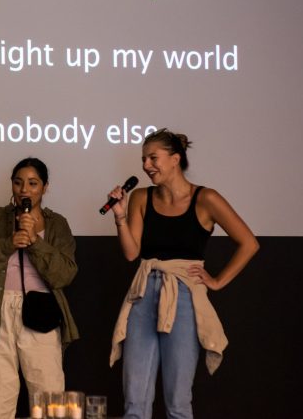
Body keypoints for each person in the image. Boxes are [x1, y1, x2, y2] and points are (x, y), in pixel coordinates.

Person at [106, 128, 259, 419]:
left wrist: (216, 281)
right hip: (142, 294)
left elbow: (249, 243)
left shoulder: (206, 198)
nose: (146, 165)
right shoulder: (140, 197)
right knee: (135, 401)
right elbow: (130, 253)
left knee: (177, 400)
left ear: (175, 159)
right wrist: (120, 217)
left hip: (185, 296)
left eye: (153, 158)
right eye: (143, 159)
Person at [0, 157, 78, 419]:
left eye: (33, 183)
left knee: (49, 398)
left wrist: (35, 241)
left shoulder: (57, 223)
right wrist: (8, 243)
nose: (24, 189)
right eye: (18, 183)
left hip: (40, 313)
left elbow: (65, 274)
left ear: (45, 187)